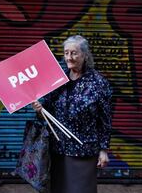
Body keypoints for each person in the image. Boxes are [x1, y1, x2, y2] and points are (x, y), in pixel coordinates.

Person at [32, 35, 112, 193]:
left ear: (84, 55)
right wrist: (40, 109)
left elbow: (105, 120)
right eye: (66, 53)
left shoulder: (98, 83)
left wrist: (104, 150)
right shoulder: (57, 79)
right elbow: (46, 114)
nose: (69, 57)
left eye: (74, 53)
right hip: (58, 149)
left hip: (84, 150)